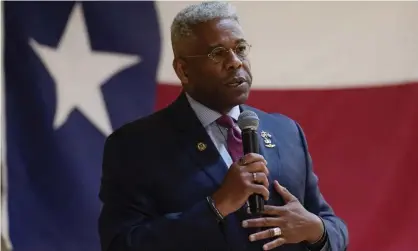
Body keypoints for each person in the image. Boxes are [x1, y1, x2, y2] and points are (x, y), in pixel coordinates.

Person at [98, 2, 349, 251]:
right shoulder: (135, 146)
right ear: (183, 71)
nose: (235, 62)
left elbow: (331, 224)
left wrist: (316, 230)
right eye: (217, 53)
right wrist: (216, 206)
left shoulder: (286, 132)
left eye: (240, 49)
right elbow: (121, 245)